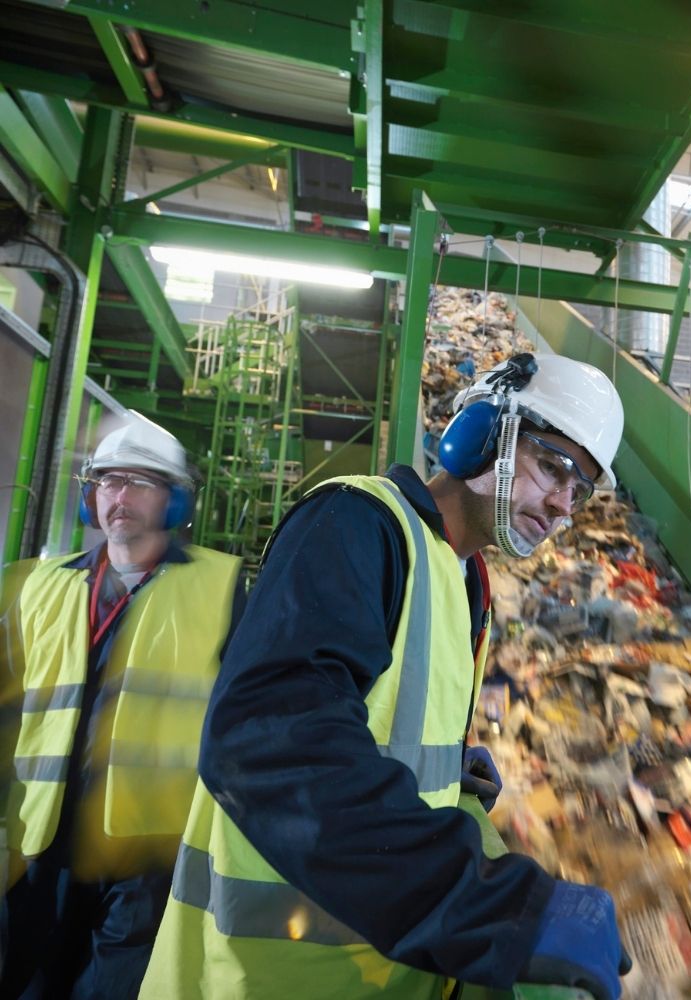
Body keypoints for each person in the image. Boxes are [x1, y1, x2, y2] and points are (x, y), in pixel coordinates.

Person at [140, 353, 631, 1000]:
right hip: (262, 977)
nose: (564, 505)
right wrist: (495, 907)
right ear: (482, 434)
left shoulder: (464, 581)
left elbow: (368, 715)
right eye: (554, 467)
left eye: (581, 489)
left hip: (373, 973)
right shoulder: (356, 527)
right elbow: (272, 743)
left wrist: (438, 771)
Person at [0, 412, 245, 999]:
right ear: (91, 495)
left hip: (145, 851)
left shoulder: (220, 588)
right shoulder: (42, 585)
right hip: (39, 839)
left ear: (174, 498)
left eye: (140, 481)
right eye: (109, 480)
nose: (121, 494)